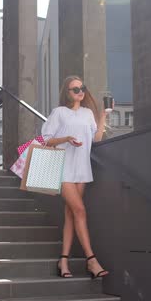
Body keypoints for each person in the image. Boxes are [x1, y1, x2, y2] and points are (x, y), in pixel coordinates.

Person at [41, 75, 110, 279]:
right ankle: (92, 260)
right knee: (79, 210)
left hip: (81, 168)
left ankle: (63, 260)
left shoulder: (88, 113)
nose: (80, 91)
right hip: (63, 167)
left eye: (82, 88)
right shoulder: (59, 113)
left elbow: (96, 138)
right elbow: (46, 140)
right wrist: (66, 139)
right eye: (75, 89)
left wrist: (104, 115)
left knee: (71, 214)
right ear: (67, 93)